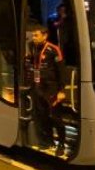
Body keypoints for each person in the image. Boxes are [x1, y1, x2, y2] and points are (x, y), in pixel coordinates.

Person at [26, 24, 68, 156]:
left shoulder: (53, 49)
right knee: (42, 117)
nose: (33, 38)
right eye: (33, 35)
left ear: (45, 36)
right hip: (37, 87)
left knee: (56, 118)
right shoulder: (32, 47)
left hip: (52, 88)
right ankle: (47, 142)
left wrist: (62, 90)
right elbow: (33, 62)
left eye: (36, 35)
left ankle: (61, 144)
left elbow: (62, 71)